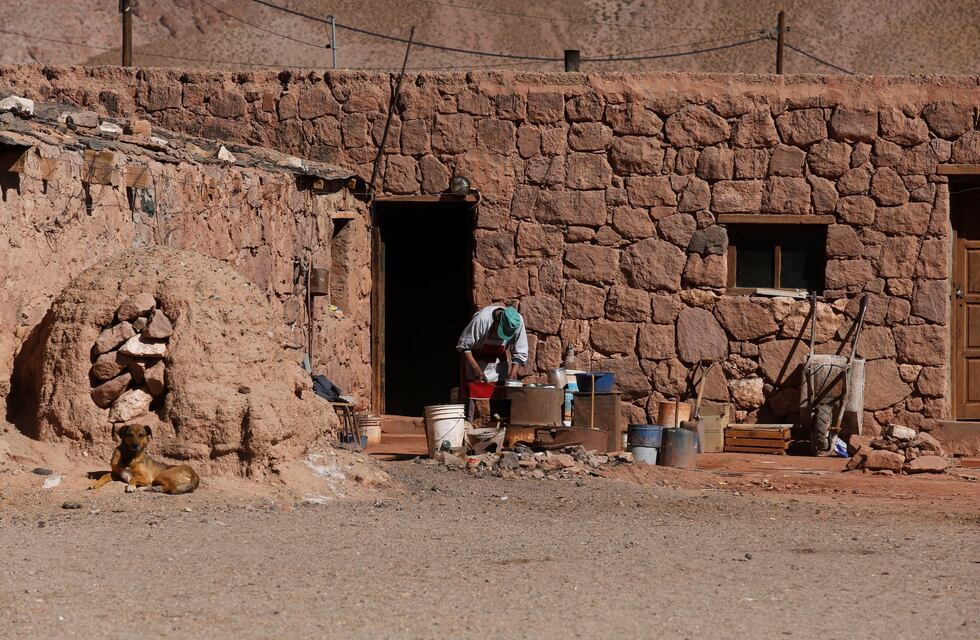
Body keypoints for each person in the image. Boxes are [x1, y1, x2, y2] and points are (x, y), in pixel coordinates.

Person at [456, 305, 528, 385]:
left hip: (498, 366)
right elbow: (464, 346)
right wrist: (476, 368)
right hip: (475, 364)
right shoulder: (482, 319)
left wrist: (513, 374)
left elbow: (521, 351)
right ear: (497, 319)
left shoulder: (517, 323)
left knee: (499, 396)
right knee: (475, 395)